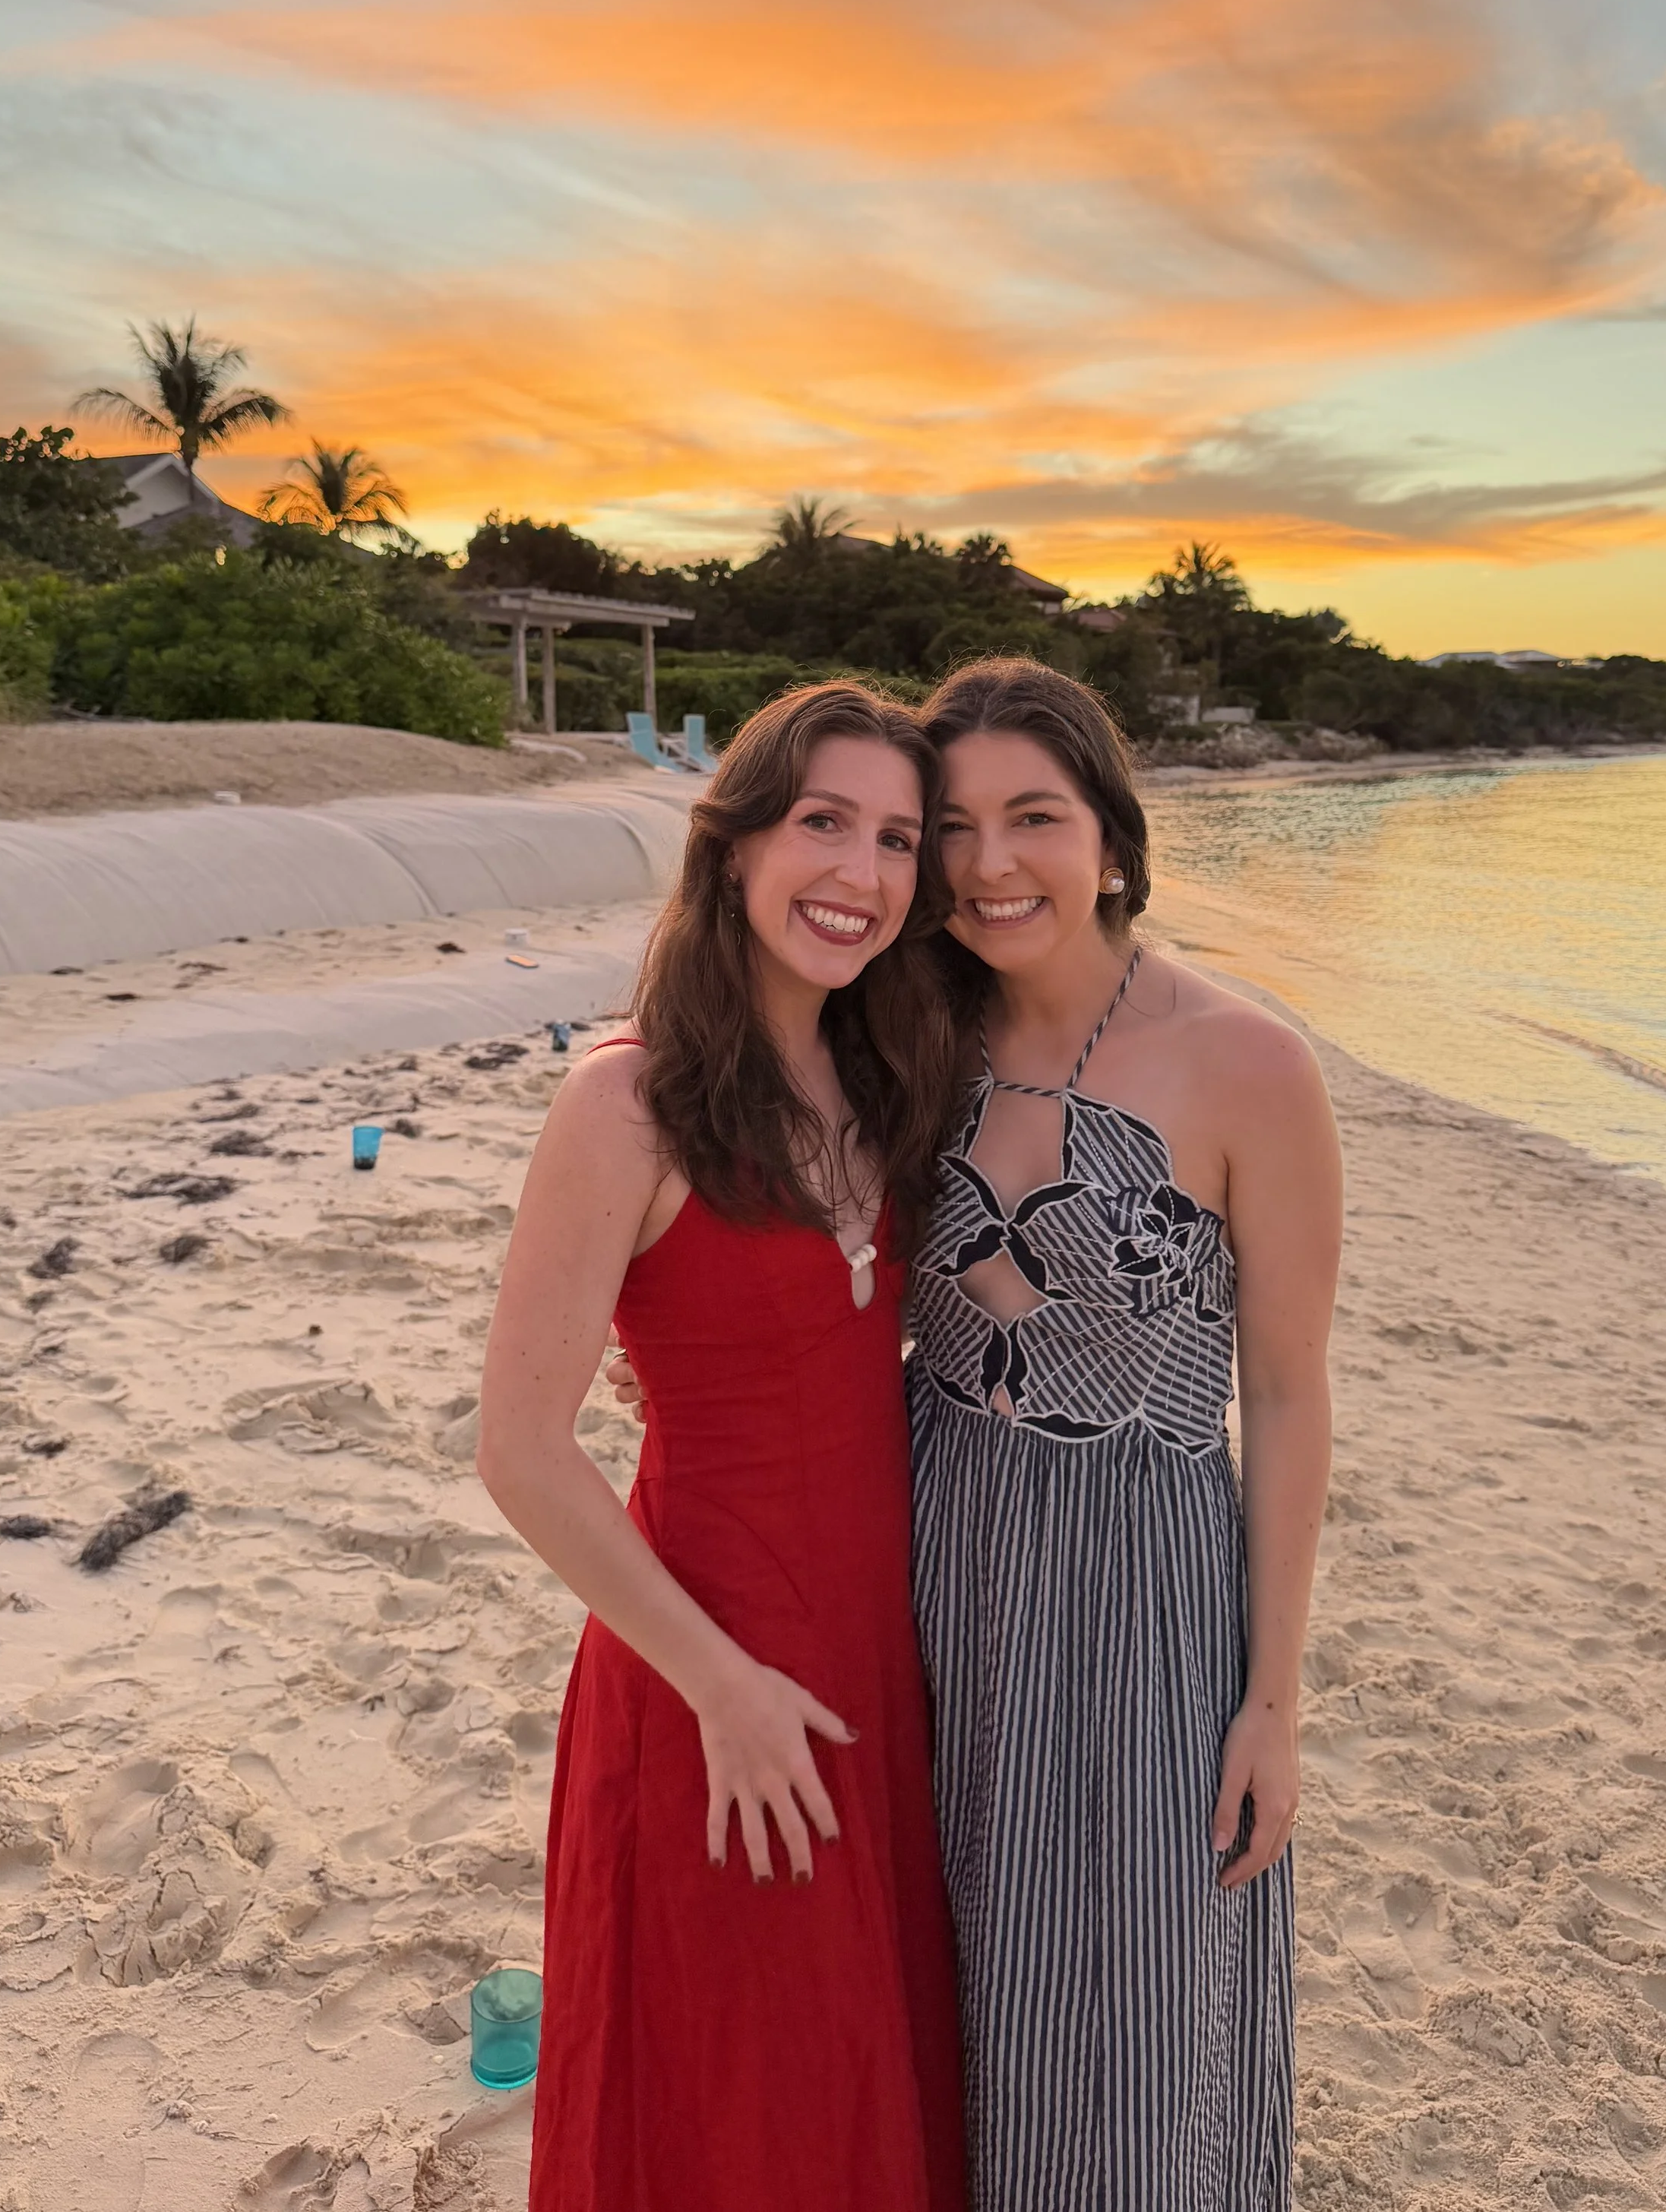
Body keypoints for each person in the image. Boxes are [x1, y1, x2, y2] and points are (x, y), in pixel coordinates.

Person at [477, 682, 969, 2212]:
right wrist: (721, 1685)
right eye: (823, 821)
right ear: (737, 841)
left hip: (878, 1652)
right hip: (709, 1655)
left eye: (896, 837)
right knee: (727, 2090)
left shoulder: (882, 1080)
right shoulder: (625, 1101)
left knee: (860, 2069)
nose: (861, 872)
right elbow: (519, 1449)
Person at [912, 656, 1339, 2212]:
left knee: (1149, 2010)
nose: (988, 863)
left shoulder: (1249, 1063)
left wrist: (1272, 1706)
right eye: (949, 826)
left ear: (1109, 828)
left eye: (1032, 813)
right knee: (964, 1985)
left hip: (1150, 1588)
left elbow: (1286, 1391)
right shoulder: (906, 1032)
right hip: (933, 1553)